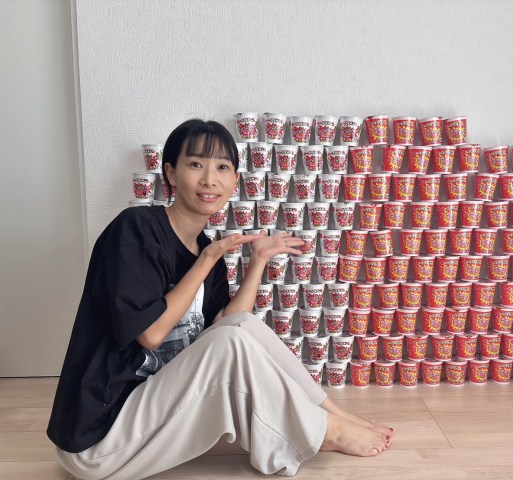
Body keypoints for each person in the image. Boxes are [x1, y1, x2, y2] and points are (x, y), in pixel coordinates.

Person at [47, 119, 394, 479]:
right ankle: (326, 431)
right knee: (231, 338)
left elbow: (226, 327)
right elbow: (151, 335)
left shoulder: (204, 247)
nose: (209, 179)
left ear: (234, 181)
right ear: (171, 173)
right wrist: (208, 259)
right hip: (99, 438)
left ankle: (333, 414)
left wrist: (257, 261)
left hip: (150, 412)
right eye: (196, 164)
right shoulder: (137, 228)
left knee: (243, 325)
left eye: (222, 168)